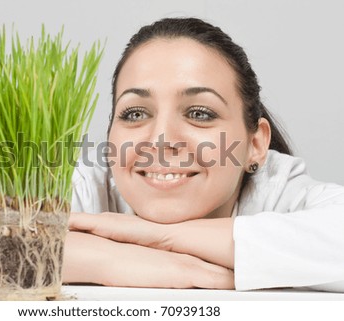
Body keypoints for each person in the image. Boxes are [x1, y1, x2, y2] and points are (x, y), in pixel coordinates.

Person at [62, 17, 344, 292]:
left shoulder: (278, 191)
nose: (162, 140)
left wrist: (160, 238)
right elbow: (17, 238)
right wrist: (113, 261)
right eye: (135, 113)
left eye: (200, 113)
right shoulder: (86, 186)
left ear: (256, 145)